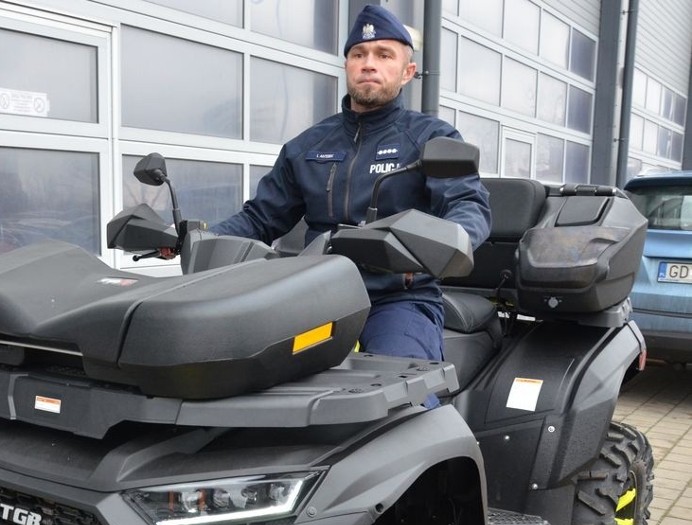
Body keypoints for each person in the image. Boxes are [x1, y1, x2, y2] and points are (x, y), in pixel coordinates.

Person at [209, 4, 491, 366]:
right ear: (346, 66)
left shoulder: (431, 139)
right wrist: (200, 238)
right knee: (243, 370)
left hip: (396, 300)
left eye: (383, 54)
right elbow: (260, 219)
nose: (368, 63)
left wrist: (441, 243)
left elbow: (467, 205)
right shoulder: (307, 146)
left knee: (400, 391)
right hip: (313, 297)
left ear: (407, 72)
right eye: (359, 54)